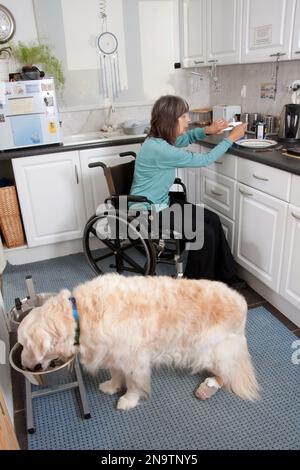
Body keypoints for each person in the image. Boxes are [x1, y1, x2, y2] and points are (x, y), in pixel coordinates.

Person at [130, 95, 247, 286]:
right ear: (170, 120)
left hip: (162, 202)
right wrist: (231, 139)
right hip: (148, 210)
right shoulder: (159, 148)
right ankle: (194, 286)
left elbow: (186, 138)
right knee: (204, 232)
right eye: (184, 116)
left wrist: (208, 130)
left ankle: (226, 275)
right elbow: (204, 160)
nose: (189, 120)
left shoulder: (160, 140)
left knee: (213, 220)